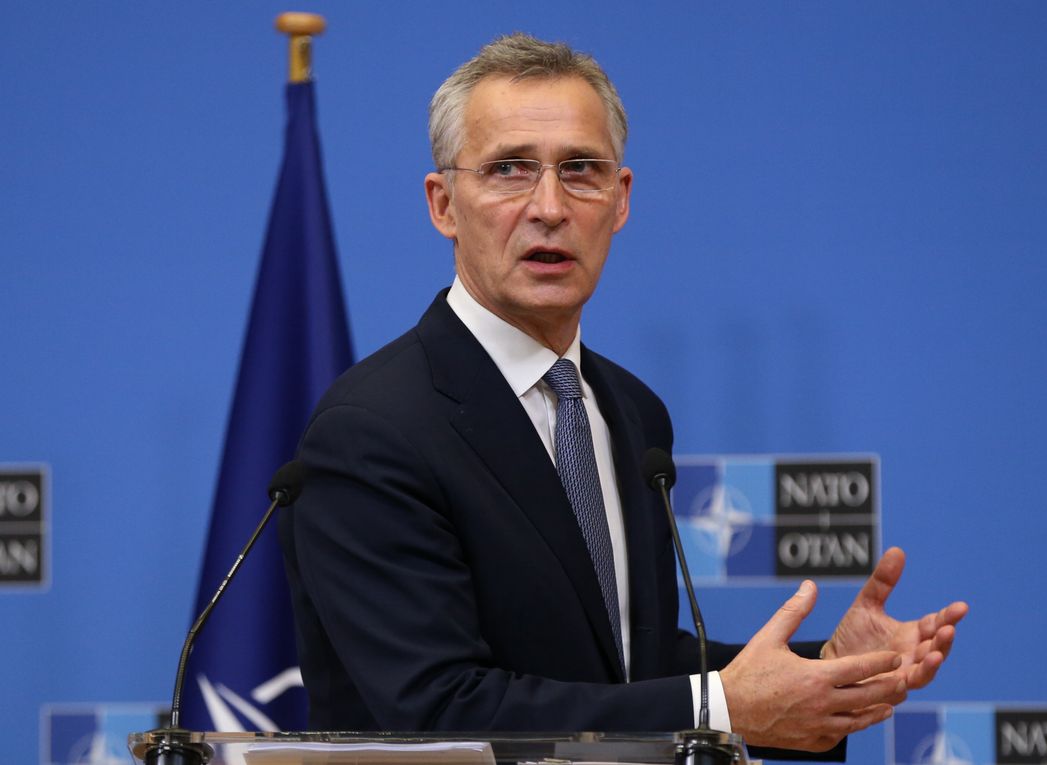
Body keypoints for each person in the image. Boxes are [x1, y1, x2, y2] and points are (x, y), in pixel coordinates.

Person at [278, 32, 967, 754]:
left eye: (581, 170)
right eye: (509, 170)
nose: (549, 206)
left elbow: (624, 665)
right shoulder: (374, 428)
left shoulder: (630, 411)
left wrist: (824, 673)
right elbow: (437, 711)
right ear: (443, 203)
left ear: (621, 199)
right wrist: (721, 707)